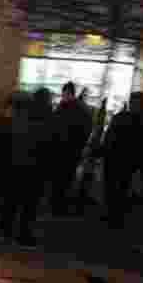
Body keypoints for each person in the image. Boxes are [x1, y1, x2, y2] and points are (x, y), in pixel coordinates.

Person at [1, 90, 55, 248]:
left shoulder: (20, 115)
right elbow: (49, 144)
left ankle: (6, 229)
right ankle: (23, 234)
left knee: (12, 199)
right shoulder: (47, 118)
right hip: (35, 167)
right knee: (29, 204)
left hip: (16, 163)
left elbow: (11, 137)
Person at [101, 92, 143, 227]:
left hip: (115, 161)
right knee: (123, 191)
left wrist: (105, 152)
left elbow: (109, 139)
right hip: (132, 164)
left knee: (113, 190)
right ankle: (118, 216)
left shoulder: (121, 117)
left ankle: (112, 216)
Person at [50, 82, 93, 216]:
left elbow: (55, 125)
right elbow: (87, 129)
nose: (63, 96)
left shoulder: (65, 107)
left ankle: (57, 205)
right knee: (65, 179)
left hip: (64, 150)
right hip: (71, 150)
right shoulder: (82, 108)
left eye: (64, 94)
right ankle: (59, 204)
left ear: (69, 93)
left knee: (61, 179)